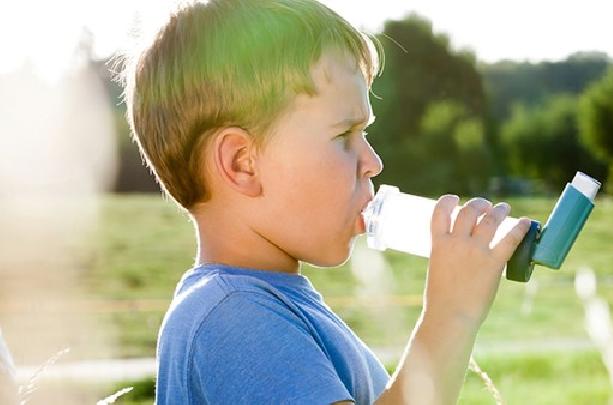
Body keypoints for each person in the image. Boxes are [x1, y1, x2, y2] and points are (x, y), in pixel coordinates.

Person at [121, 0, 531, 403]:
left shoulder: (265, 305)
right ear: (242, 164)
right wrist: (450, 316)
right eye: (343, 136)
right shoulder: (232, 317)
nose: (373, 162)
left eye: (365, 135)